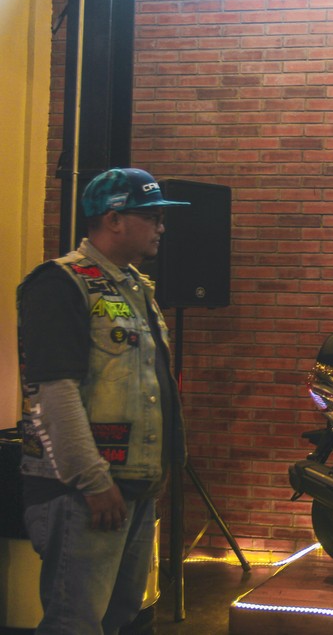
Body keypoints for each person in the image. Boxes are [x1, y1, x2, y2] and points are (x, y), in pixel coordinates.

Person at [17, 168, 190, 634]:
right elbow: (53, 393)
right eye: (151, 216)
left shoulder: (133, 286)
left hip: (131, 487)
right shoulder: (58, 283)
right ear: (113, 219)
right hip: (83, 492)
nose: (161, 226)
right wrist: (92, 481)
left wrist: (158, 471)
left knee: (120, 619)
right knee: (75, 623)